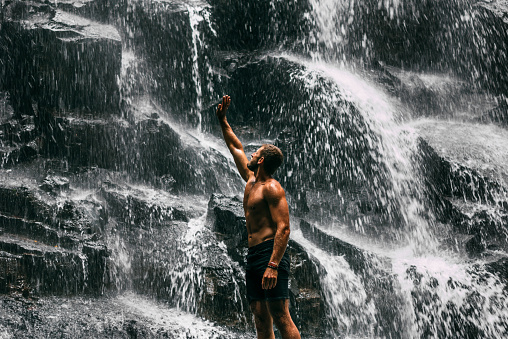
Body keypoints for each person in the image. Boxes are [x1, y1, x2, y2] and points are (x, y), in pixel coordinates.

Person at [216, 95, 301, 339]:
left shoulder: (272, 188)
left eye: (256, 153)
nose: (251, 154)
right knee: (259, 314)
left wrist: (273, 265)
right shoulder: (251, 180)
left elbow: (284, 228)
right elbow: (236, 147)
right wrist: (223, 120)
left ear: (261, 160)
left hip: (269, 253)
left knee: (280, 313)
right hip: (253, 254)